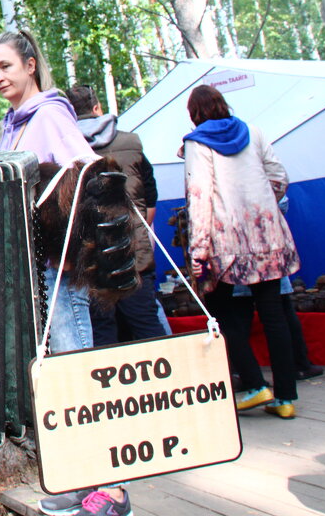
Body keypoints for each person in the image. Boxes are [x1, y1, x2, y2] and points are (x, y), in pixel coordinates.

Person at [0, 32, 132, 516]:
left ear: (30, 65)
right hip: (36, 271)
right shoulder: (13, 123)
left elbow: (88, 171)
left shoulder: (48, 114)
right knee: (60, 378)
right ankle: (79, 479)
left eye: (6, 66)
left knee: (78, 372)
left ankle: (111, 490)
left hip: (61, 266)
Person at [183, 84, 300, 418]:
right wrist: (264, 206)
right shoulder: (254, 131)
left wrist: (199, 250)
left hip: (226, 243)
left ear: (194, 115)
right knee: (274, 314)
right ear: (223, 104)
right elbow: (279, 177)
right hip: (267, 236)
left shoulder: (196, 143)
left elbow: (199, 196)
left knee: (219, 313)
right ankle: (286, 398)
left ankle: (253, 384)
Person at [67, 85, 168, 344]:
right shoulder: (132, 143)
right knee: (147, 325)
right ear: (97, 107)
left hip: (92, 257)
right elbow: (150, 199)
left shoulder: (67, 147)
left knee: (102, 333)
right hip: (134, 254)